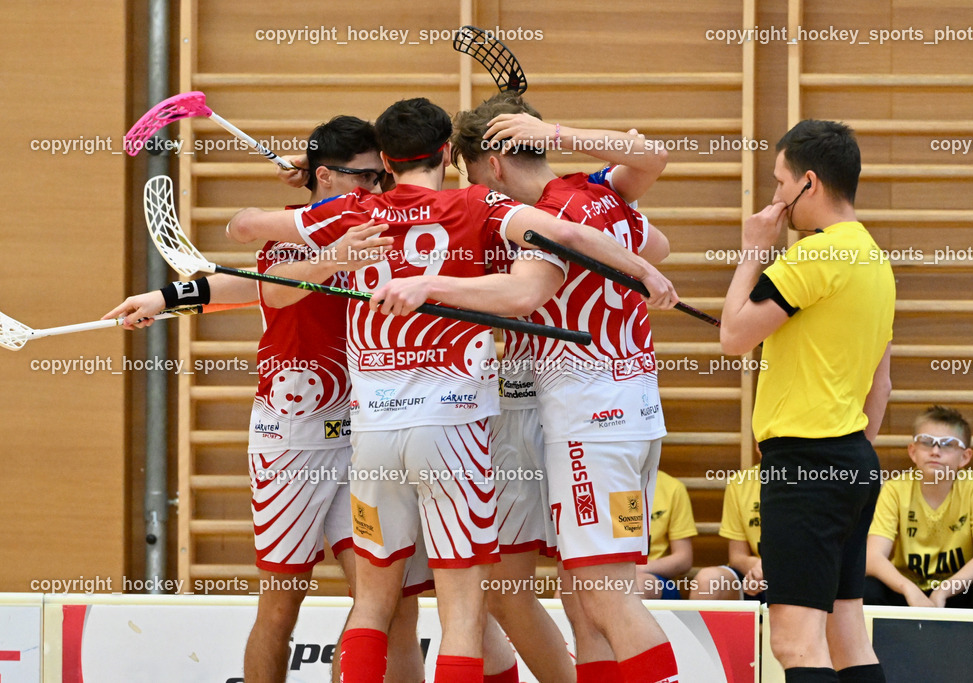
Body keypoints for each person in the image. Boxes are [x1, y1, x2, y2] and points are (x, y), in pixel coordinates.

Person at [226, 97, 678, 683]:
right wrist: (641, 268)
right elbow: (575, 241)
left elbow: (243, 227)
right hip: (472, 426)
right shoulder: (486, 205)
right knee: (475, 609)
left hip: (380, 433)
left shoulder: (354, 209)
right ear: (445, 153)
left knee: (375, 602)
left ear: (385, 161)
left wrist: (322, 187)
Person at [105, 116, 430, 683]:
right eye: (369, 178)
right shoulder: (290, 236)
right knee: (282, 605)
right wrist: (162, 297)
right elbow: (268, 286)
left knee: (392, 600)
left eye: (384, 177)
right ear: (327, 176)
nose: (380, 190)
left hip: (362, 434)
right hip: (292, 442)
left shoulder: (372, 220)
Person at [370, 94, 681, 683]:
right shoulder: (599, 196)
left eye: (469, 172)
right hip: (632, 408)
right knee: (585, 599)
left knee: (605, 598)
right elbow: (654, 192)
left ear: (495, 165)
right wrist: (559, 133)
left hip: (590, 419)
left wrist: (425, 285)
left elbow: (520, 296)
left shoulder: (552, 216)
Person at [720, 119, 895, 683]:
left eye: (778, 183)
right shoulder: (874, 258)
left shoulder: (812, 257)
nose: (775, 198)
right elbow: (881, 385)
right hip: (853, 462)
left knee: (796, 645)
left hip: (806, 465)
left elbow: (733, 336)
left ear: (809, 183)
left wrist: (752, 251)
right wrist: (849, 452)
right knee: (847, 637)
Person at [864, 405, 973, 610]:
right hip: (908, 592)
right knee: (866, 588)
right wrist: (910, 590)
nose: (935, 451)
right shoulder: (895, 488)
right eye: (926, 442)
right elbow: (872, 557)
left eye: (947, 444)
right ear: (913, 452)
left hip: (957, 590)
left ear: (965, 457)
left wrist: (943, 590)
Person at [690, 463, 766, 601]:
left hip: (801, 574)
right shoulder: (742, 481)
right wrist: (759, 568)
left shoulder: (812, 478)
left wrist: (775, 566)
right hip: (755, 575)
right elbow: (737, 556)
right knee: (708, 580)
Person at [636, 471, 697, 600]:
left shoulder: (672, 487)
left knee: (634, 586)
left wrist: (634, 569)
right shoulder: (599, 486)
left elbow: (683, 559)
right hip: (605, 577)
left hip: (655, 579)